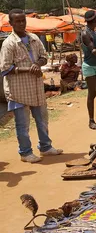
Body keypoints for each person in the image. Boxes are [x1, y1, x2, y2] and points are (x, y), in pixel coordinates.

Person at [0, 9, 63, 163]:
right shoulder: (9, 43)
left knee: (42, 119)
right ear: (11, 23)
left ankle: (46, 147)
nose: (22, 23)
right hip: (18, 90)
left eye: (23, 20)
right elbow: (5, 68)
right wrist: (28, 69)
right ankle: (25, 152)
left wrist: (38, 64)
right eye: (18, 21)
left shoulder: (34, 38)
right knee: (23, 124)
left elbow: (44, 57)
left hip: (36, 88)